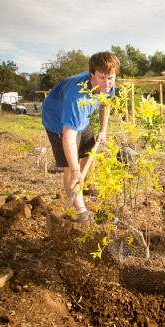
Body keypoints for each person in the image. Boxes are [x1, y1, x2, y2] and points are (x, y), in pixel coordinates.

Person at [42, 51, 120, 224]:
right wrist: (76, 171)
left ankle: (83, 184)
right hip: (57, 121)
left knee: (88, 153)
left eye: (110, 78)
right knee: (71, 168)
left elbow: (105, 103)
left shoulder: (108, 82)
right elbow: (68, 136)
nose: (107, 83)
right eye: (101, 78)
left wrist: (103, 130)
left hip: (82, 119)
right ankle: (81, 212)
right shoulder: (77, 97)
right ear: (91, 75)